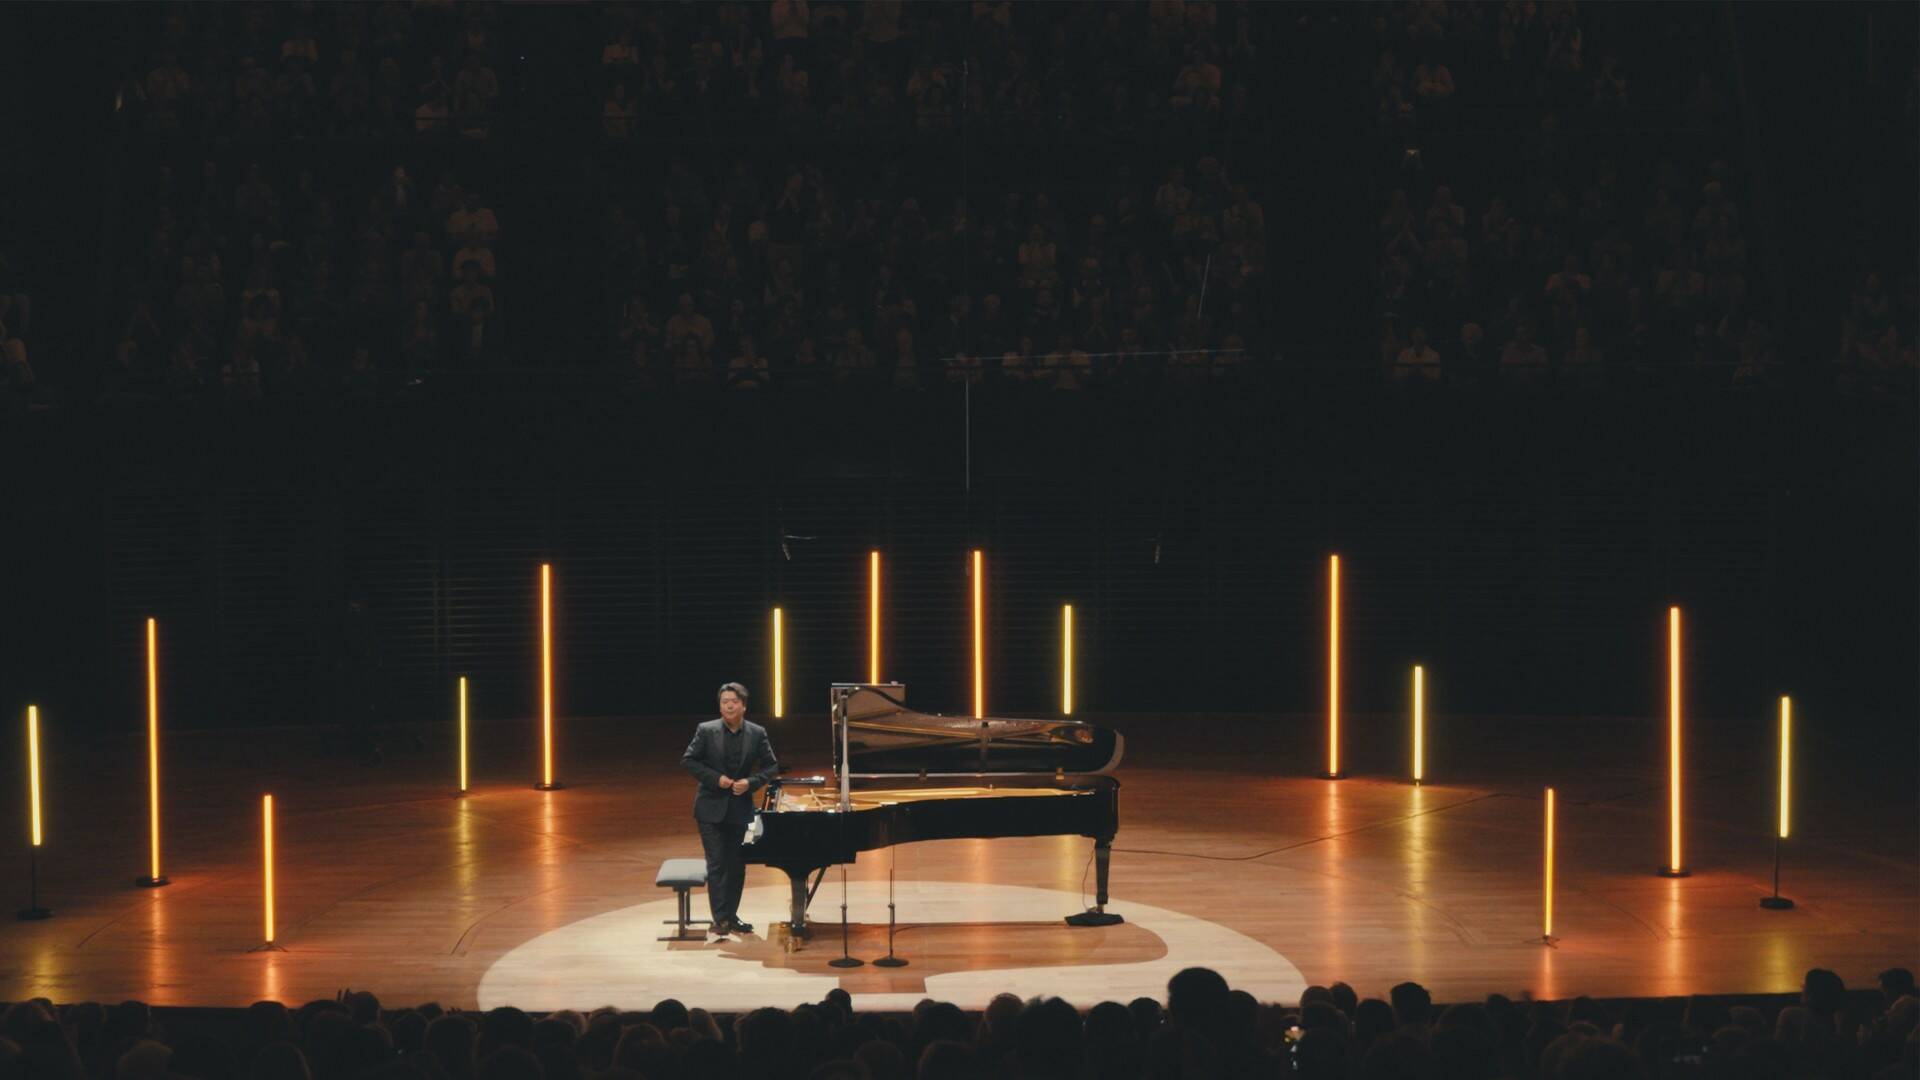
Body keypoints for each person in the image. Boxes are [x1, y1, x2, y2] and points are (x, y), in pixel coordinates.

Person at [680, 683, 779, 936]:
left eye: (734, 701)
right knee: (717, 863)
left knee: (737, 864)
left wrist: (750, 783)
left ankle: (731, 916)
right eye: (724, 701)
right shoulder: (706, 730)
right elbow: (689, 760)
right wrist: (715, 779)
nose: (729, 705)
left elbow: (771, 767)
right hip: (710, 808)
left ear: (743, 705)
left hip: (740, 807)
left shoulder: (757, 733)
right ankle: (720, 919)